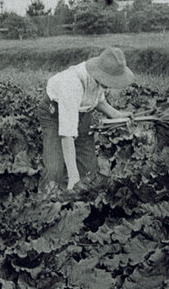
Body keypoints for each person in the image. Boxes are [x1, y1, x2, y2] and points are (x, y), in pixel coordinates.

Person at [39, 46, 135, 190]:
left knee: (89, 173)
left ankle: (78, 206)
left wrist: (117, 115)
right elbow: (67, 135)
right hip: (54, 115)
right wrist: (73, 176)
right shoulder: (72, 84)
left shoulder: (99, 79)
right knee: (54, 171)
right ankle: (46, 206)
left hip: (82, 115)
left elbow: (99, 101)